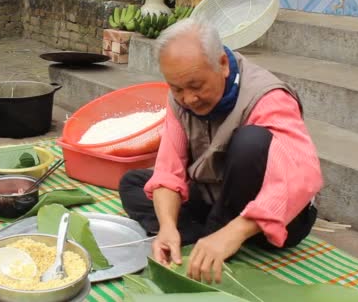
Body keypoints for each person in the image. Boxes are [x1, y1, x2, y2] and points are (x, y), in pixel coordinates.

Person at [119, 19, 322, 284]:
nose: (188, 98)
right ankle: (200, 237)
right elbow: (169, 170)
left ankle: (219, 236)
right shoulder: (180, 100)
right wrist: (167, 227)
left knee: (252, 143)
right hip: (217, 199)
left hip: (273, 220)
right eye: (177, 88)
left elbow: (303, 175)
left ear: (223, 64)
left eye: (196, 86)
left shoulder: (267, 97)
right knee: (132, 183)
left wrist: (234, 232)